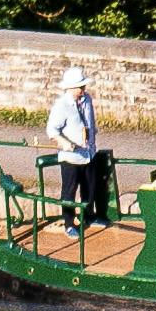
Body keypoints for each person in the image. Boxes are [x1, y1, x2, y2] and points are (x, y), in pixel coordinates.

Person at [46, 72, 110, 229]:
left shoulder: (87, 99)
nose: (84, 89)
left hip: (88, 154)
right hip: (71, 158)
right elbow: (52, 130)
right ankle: (69, 224)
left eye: (84, 86)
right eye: (80, 87)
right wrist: (64, 143)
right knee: (69, 191)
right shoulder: (61, 106)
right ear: (71, 88)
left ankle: (89, 217)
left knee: (89, 187)